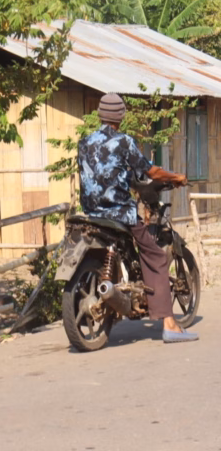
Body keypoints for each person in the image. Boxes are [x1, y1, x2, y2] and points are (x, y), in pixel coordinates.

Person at [77, 93, 199, 343]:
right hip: (119, 212)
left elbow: (100, 175)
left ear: (101, 114)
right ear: (120, 116)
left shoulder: (85, 142)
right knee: (154, 256)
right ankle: (169, 324)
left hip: (91, 212)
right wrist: (175, 177)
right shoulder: (124, 142)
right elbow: (150, 170)